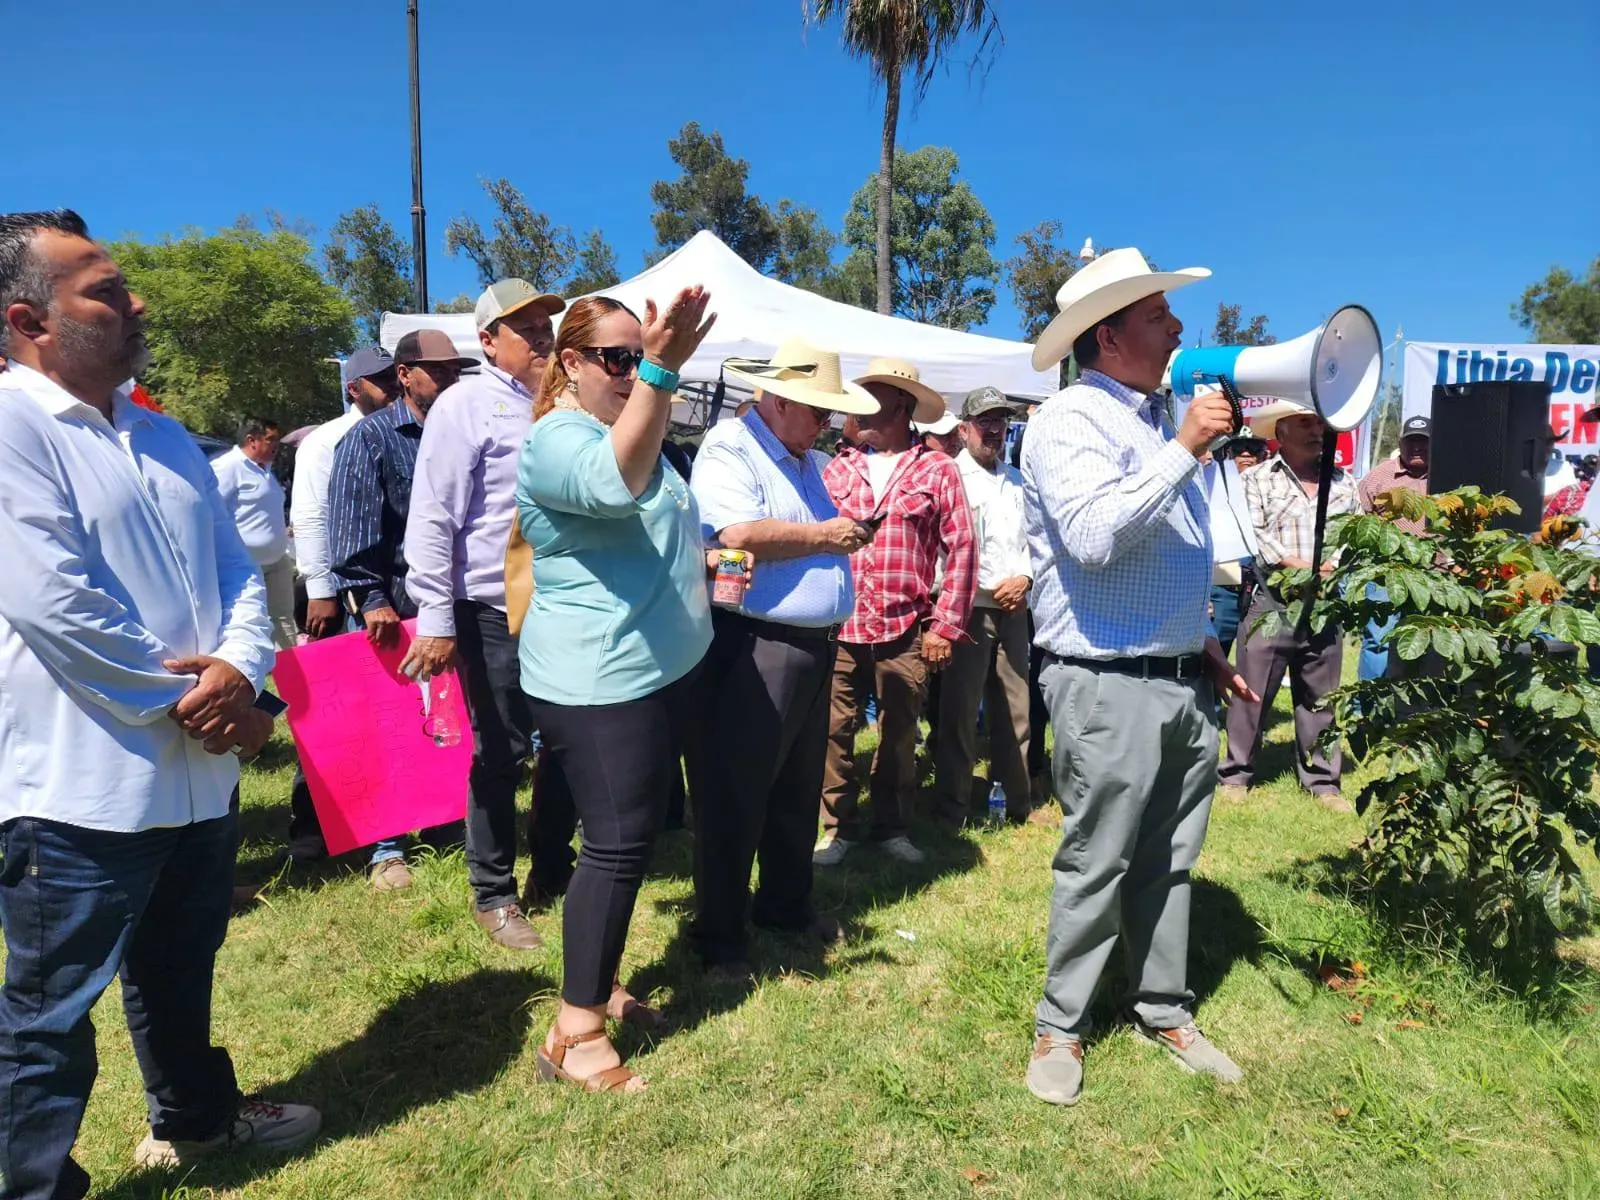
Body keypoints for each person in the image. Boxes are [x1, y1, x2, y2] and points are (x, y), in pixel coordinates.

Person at [0, 209, 316, 1197]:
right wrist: (203, 701)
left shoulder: (163, 432)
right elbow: (57, 605)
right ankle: (32, 1182)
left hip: (196, 778)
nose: (136, 304)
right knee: (51, 1013)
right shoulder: (13, 427)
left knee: (182, 963)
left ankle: (196, 1116)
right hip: (78, 786)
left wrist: (237, 672)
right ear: (29, 320)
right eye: (103, 292)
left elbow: (236, 577)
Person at [1020, 247, 1256, 1106]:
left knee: (1170, 857)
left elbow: (1169, 558)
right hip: (1103, 679)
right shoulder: (1069, 419)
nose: (1180, 329)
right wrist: (1185, 450)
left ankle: (1163, 1007)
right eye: (1160, 317)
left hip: (1175, 674)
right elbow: (1091, 536)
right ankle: (1061, 1024)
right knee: (1099, 859)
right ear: (1110, 335)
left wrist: (1203, 641)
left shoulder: (1156, 426)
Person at [515, 288, 716, 1092]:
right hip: (597, 679)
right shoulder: (556, 440)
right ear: (570, 363)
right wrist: (665, 370)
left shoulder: (632, 423)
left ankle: (600, 985)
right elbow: (616, 484)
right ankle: (577, 1032)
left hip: (653, 669)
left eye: (643, 355)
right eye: (619, 358)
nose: (634, 372)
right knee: (617, 846)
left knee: (632, 844)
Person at [685, 338, 879, 978]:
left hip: (806, 643)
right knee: (736, 794)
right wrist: (827, 536)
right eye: (818, 410)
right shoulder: (729, 447)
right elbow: (735, 534)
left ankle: (784, 905)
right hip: (754, 644)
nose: (825, 423)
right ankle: (719, 935)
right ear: (778, 399)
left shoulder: (803, 461)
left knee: (795, 789)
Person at [400, 280, 564, 950]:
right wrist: (436, 617)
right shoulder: (465, 404)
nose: (543, 338)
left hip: (558, 604)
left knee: (566, 740)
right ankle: (494, 892)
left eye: (546, 326)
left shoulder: (558, 406)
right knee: (499, 749)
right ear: (489, 341)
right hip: (491, 607)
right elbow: (435, 515)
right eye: (526, 328)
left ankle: (553, 866)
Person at [327, 327, 477, 889]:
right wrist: (368, 598)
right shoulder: (371, 439)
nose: (447, 379)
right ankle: (386, 848)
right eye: (436, 369)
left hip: (455, 604)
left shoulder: (467, 430)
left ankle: (441, 821)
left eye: (454, 370)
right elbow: (353, 524)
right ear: (405, 375)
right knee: (386, 723)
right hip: (392, 606)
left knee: (446, 719)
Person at [816, 358, 977, 866]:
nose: (860, 408)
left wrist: (946, 625)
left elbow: (963, 547)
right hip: (840, 623)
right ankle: (835, 827)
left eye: (873, 397)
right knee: (833, 731)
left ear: (902, 405)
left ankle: (891, 826)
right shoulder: (838, 466)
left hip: (906, 624)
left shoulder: (937, 469)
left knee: (900, 731)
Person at [282, 346, 397, 862]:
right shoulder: (327, 440)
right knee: (340, 710)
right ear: (355, 388)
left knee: (400, 708)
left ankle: (415, 817)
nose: (391, 384)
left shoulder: (407, 430)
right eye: (379, 379)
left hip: (396, 590)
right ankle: (312, 823)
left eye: (395, 374)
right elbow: (309, 518)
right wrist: (323, 592)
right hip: (346, 595)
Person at [1217, 397, 1360, 808]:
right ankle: (1236, 775)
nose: (1317, 430)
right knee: (1251, 691)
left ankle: (1323, 782)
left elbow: (1355, 533)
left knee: (1321, 695)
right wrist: (1297, 564)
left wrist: (1332, 565)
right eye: (1304, 423)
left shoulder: (1344, 482)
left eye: (1318, 423)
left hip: (1325, 603)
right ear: (1280, 432)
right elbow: (1255, 534)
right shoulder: (1257, 480)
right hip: (1272, 600)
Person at [933, 386, 1034, 828]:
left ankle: (1017, 803)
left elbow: (1037, 541)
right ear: (964, 428)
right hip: (967, 607)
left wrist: (1026, 578)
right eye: (985, 421)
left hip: (1014, 607)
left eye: (1001, 421)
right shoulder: (948, 477)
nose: (994, 429)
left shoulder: (1016, 480)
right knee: (959, 712)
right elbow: (942, 550)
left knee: (1017, 709)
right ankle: (952, 808)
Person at [210, 416, 296, 650]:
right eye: (271, 440)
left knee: (284, 620)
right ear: (252, 440)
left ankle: (294, 676)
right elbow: (212, 513)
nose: (277, 445)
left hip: (277, 559)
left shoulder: (266, 469)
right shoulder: (227, 467)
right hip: (246, 565)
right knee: (250, 623)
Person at [1356, 414, 1430, 680]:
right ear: (1401, 443)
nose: (1417, 448)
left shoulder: (1447, 475)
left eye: (1424, 442)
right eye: (1412, 442)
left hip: (1434, 575)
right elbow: (1361, 525)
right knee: (1378, 640)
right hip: (1386, 575)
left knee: (1425, 641)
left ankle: (1413, 706)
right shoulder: (1378, 478)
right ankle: (1368, 707)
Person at [1206, 435, 1266, 656]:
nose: (1247, 454)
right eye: (1240, 448)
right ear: (1228, 452)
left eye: (1254, 448)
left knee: (1253, 666)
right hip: (1222, 588)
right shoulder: (1210, 482)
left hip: (1260, 590)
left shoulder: (1271, 485)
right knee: (1212, 660)